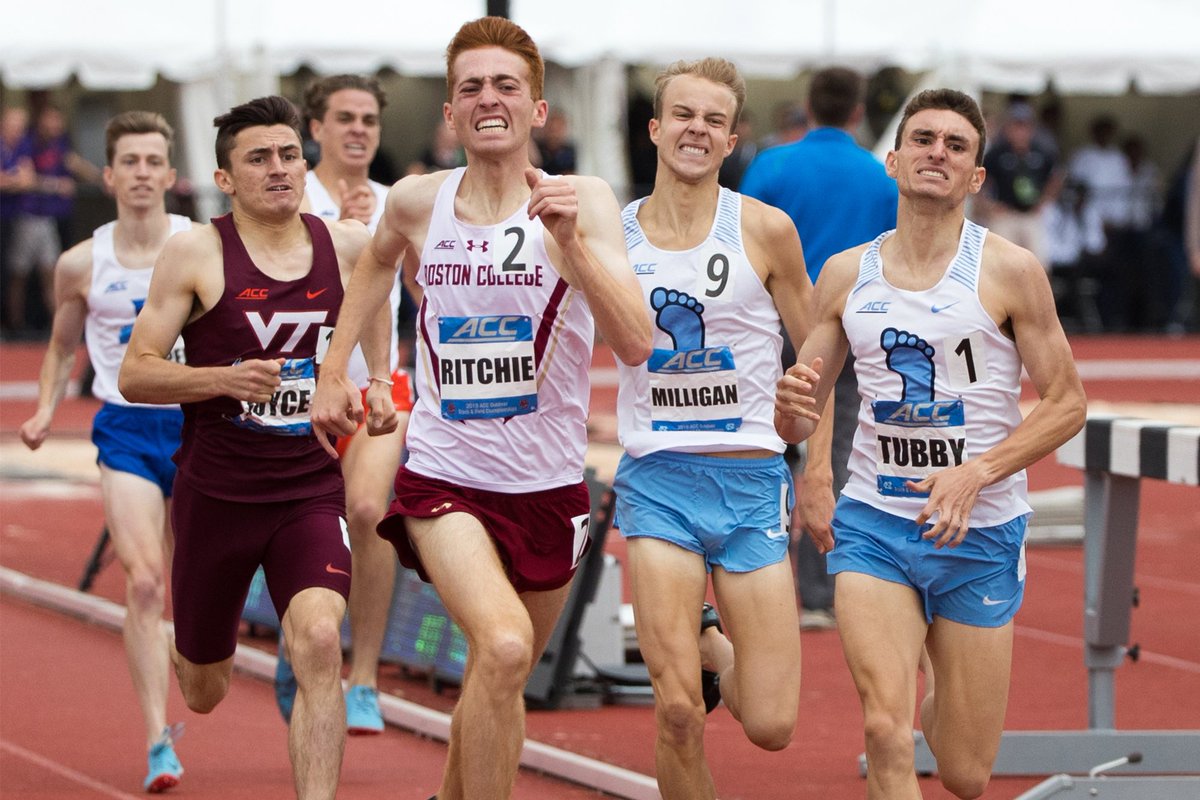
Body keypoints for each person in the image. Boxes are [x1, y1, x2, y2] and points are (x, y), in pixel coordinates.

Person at [308, 17, 651, 800]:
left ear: (536, 110)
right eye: (471, 87)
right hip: (444, 478)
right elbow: (371, 269)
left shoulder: (584, 200)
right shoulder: (418, 201)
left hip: (550, 484)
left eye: (505, 86)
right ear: (452, 113)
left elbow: (635, 342)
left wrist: (575, 244)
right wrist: (339, 372)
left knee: (499, 684)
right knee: (498, 649)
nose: (487, 99)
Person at [775, 88, 1087, 799]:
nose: (936, 153)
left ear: (977, 177)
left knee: (966, 774)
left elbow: (1068, 403)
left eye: (954, 145)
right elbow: (803, 406)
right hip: (874, 523)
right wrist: (806, 453)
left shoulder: (1009, 271)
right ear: (892, 160)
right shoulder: (847, 273)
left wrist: (977, 472)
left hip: (980, 531)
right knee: (885, 731)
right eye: (922, 139)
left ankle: (941, 684)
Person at [118, 95, 396, 800]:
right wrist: (222, 378)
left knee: (320, 643)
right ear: (225, 177)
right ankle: (202, 646)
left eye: (289, 155)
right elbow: (135, 371)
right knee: (204, 688)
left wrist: (378, 383)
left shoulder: (347, 244)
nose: (278, 169)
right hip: (215, 494)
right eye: (258, 158)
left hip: (305, 488)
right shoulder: (197, 252)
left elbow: (377, 298)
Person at [612, 57, 811, 800]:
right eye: (684, 115)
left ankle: (711, 638)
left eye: (714, 121)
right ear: (657, 128)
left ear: (732, 141)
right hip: (658, 482)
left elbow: (817, 349)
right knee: (676, 713)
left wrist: (813, 457)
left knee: (770, 722)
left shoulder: (765, 229)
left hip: (753, 482)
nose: (698, 130)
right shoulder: (617, 234)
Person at [18, 110, 192, 794]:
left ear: (171, 176)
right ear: (110, 174)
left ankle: (202, 659)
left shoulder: (200, 244)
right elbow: (63, 345)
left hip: (202, 428)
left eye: (155, 161)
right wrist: (42, 410)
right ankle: (158, 740)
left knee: (202, 591)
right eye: (132, 162)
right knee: (145, 582)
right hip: (126, 427)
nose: (143, 173)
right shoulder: (82, 263)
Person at [269, 73, 416, 736]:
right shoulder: (285, 201)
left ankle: (364, 678)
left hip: (380, 386)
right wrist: (339, 232)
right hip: (300, 394)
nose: (359, 129)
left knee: (366, 509)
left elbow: (427, 291)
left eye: (369, 120)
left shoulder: (402, 202)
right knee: (297, 527)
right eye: (345, 118)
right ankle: (298, 639)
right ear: (316, 130)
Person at [740, 66, 898, 631]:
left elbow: (739, 239)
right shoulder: (880, 178)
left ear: (807, 105)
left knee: (761, 445)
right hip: (846, 328)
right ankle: (818, 586)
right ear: (858, 112)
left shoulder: (772, 164)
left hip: (772, 325)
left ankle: (756, 571)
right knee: (834, 453)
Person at [976, 102, 1061, 269]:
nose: (1020, 132)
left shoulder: (1041, 152)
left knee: (1039, 264)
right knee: (1001, 263)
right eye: (1016, 126)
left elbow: (1056, 175)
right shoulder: (997, 153)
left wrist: (1044, 201)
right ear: (1008, 128)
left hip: (1031, 215)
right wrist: (989, 206)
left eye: (1025, 126)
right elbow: (980, 179)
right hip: (1006, 214)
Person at [1, 106, 35, 335]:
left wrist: (10, 180)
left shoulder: (21, 147)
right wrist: (15, 180)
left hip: (11, 220)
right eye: (14, 126)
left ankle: (10, 324)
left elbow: (28, 180)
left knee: (9, 272)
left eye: (21, 127)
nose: (18, 131)